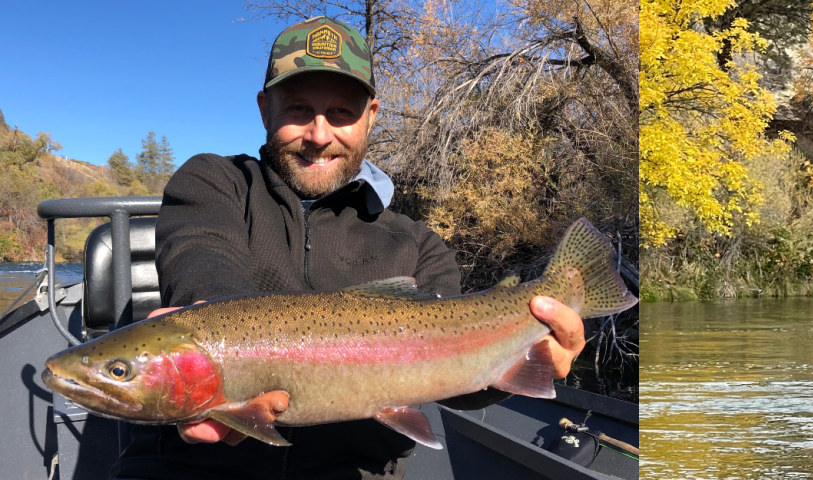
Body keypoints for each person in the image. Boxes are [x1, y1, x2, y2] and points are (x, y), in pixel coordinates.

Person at [115, 17, 588, 479]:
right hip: (188, 465)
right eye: (299, 109)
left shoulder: (417, 246)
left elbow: (456, 383)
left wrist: (528, 355)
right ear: (264, 109)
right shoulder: (215, 183)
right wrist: (215, 338)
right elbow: (201, 256)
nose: (320, 135)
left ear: (371, 116)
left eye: (341, 113)